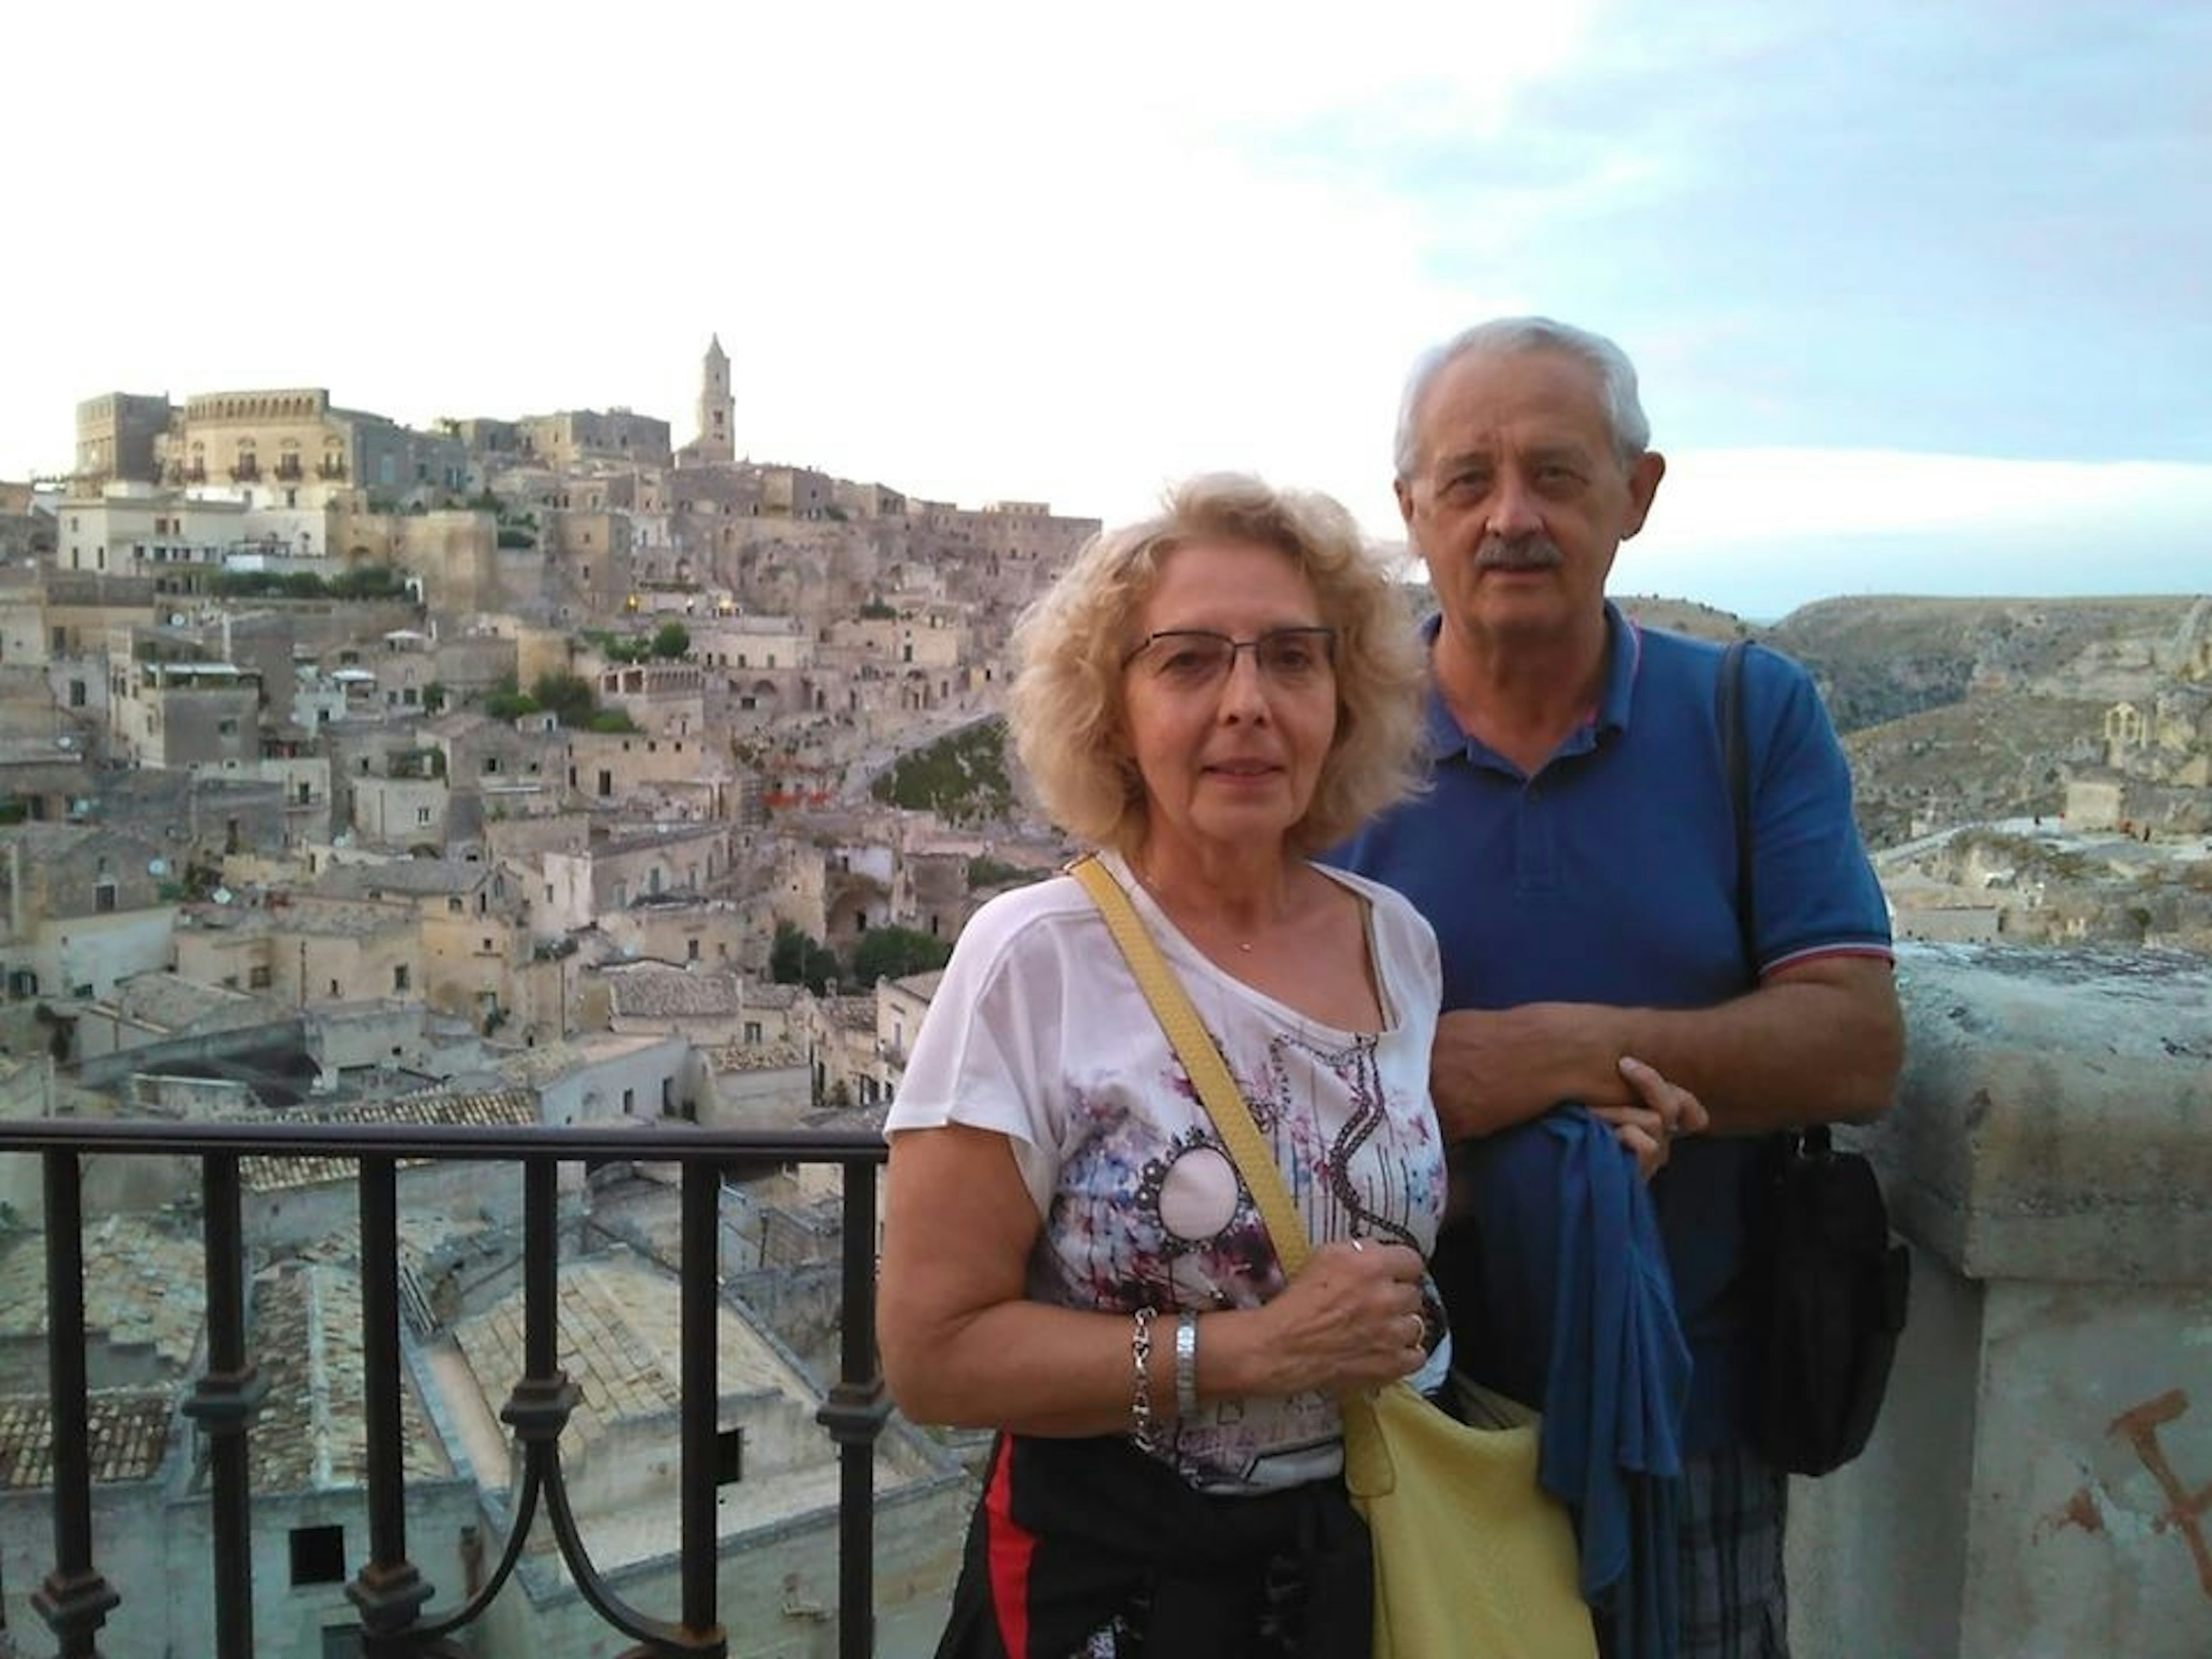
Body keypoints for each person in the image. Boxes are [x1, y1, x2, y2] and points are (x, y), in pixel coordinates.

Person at [881, 472, 1700, 1657]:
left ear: (1346, 697)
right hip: (1122, 1591)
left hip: (1362, 1568)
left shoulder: (1395, 942)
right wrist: (1249, 1356)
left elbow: (1347, 1206)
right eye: (1190, 661)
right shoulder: (1033, 959)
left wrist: (1557, 1168)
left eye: (1292, 659)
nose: (1248, 703)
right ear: (1112, 713)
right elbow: (934, 1357)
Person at [1331, 319, 1906, 1659]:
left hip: (1688, 1421)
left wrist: (1558, 1054)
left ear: (1637, 496)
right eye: (1467, 481)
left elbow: (1854, 1046)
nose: (1511, 517)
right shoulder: (1332, 743)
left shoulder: (1749, 716)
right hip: (1386, 1416)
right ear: (1412, 512)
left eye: (1557, 474)